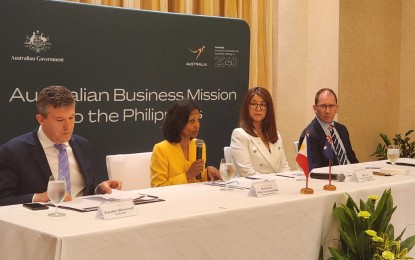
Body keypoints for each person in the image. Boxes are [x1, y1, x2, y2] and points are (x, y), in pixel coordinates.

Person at [0, 86, 122, 206]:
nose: (68, 126)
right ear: (41, 119)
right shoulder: (13, 152)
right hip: (41, 222)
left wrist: (98, 191)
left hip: (84, 221)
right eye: (60, 120)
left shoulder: (82, 144)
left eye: (71, 117)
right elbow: (3, 200)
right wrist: (38, 198)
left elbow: (83, 192)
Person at [150, 99, 221, 187]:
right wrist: (187, 175)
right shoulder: (161, 149)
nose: (197, 125)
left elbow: (197, 180)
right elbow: (157, 187)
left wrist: (207, 173)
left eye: (198, 120)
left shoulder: (199, 145)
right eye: (192, 121)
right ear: (179, 122)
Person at [230, 87, 290, 176]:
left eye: (263, 105)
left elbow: (283, 167)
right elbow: (247, 173)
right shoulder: (239, 134)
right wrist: (274, 183)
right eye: (253, 104)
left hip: (277, 185)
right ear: (247, 107)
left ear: (268, 109)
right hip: (250, 187)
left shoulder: (275, 134)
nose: (258, 109)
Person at [298, 88, 358, 170]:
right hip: (332, 179)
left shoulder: (342, 129)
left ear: (337, 108)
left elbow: (352, 159)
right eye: (323, 106)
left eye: (331, 106)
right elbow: (315, 171)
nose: (328, 111)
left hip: (352, 175)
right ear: (315, 108)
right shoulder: (309, 135)